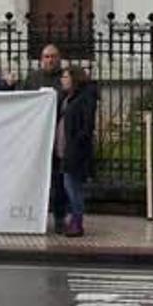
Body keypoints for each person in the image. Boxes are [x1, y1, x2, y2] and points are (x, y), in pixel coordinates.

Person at [53, 65, 97, 237]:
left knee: (73, 187)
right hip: (64, 150)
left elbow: (86, 127)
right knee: (68, 186)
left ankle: (77, 222)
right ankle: (74, 220)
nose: (62, 80)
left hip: (75, 152)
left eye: (65, 77)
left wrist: (75, 145)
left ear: (74, 79)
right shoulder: (67, 98)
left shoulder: (85, 98)